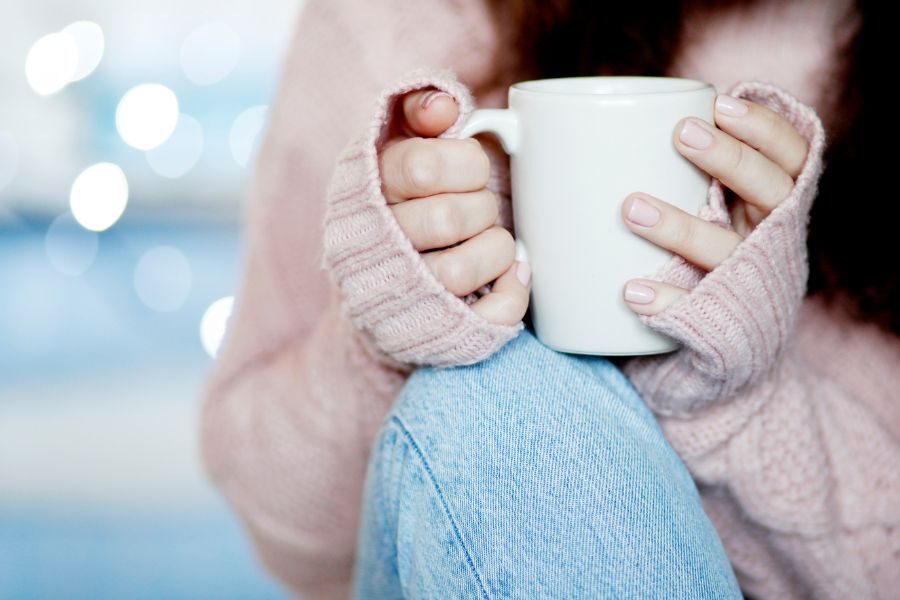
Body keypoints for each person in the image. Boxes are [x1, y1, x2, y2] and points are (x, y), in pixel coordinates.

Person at [199, 0, 899, 598]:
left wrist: (736, 399)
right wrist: (384, 340)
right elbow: (274, 524)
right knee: (497, 389)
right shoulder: (395, 19)